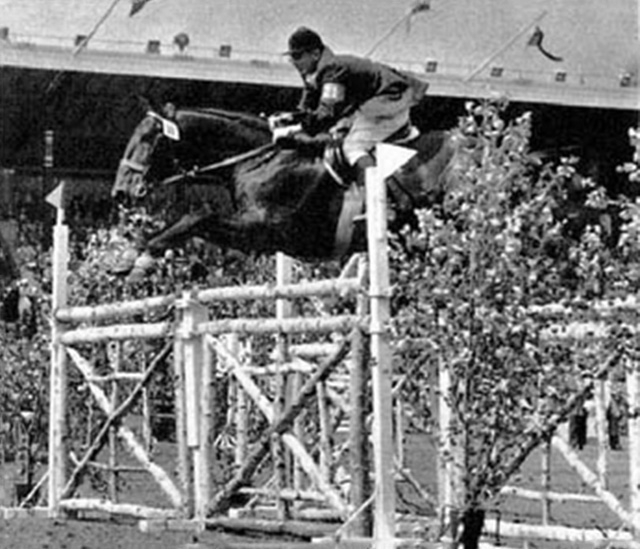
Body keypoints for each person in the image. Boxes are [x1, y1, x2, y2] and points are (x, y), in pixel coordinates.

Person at [275, 26, 428, 187]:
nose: (294, 62)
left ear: (315, 54)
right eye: (292, 57)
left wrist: (295, 129)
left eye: (298, 56)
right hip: (373, 105)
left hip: (389, 103)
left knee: (352, 147)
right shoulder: (314, 72)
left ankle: (380, 201)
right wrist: (288, 119)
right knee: (340, 134)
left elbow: (328, 113)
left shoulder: (332, 69)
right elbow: (306, 107)